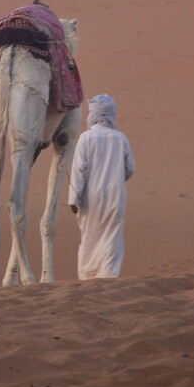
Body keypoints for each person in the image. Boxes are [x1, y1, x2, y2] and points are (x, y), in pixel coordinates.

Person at [68, 94, 134, 279]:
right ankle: (107, 278)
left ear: (93, 115)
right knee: (112, 240)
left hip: (90, 199)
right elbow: (130, 168)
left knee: (89, 238)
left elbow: (79, 170)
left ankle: (87, 279)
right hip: (115, 197)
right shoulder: (120, 138)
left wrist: (73, 199)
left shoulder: (85, 138)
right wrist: (116, 180)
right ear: (111, 115)